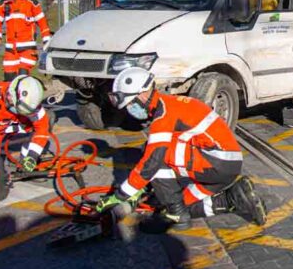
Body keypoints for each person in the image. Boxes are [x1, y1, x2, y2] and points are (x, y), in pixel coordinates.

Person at [95, 68, 266, 226]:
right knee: (182, 205)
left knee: (155, 157)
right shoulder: (170, 103)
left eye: (131, 104)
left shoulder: (164, 115)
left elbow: (152, 162)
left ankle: (174, 212)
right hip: (226, 164)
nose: (131, 109)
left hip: (217, 162)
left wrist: (121, 194)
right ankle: (235, 198)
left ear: (144, 94)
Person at [0, 0, 51, 81]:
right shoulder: (5, 2)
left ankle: (22, 97)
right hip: (11, 49)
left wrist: (46, 40)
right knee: (9, 79)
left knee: (22, 79)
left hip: (27, 49)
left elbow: (42, 23)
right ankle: (10, 98)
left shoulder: (32, 2)